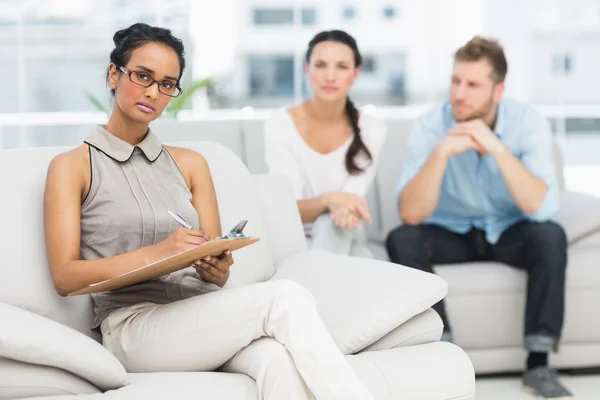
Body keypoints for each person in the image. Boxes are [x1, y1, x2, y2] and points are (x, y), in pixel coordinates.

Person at [43, 23, 373, 400]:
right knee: (284, 297)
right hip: (132, 328)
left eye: (167, 83)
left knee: (275, 359)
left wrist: (217, 268)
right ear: (113, 74)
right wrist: (162, 253)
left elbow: (214, 265)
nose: (153, 91)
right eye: (142, 76)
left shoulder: (191, 164)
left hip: (200, 315)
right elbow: (65, 277)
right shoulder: (73, 166)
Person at [385, 36, 572, 399]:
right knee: (401, 238)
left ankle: (538, 363)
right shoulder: (429, 126)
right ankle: (443, 353)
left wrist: (496, 146)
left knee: (550, 235)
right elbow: (409, 213)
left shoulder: (526, 121)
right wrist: (440, 154)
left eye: (473, 85)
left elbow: (542, 206)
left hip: (507, 231)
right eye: (456, 81)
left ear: (497, 91)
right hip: (450, 232)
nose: (459, 93)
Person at [264, 30, 387, 258]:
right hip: (295, 235)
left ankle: (312, 287)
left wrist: (336, 206)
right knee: (363, 258)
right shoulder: (280, 125)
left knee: (332, 225)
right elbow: (290, 209)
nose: (330, 76)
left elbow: (350, 203)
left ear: (356, 73)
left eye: (341, 66)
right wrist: (329, 200)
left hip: (345, 228)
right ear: (307, 69)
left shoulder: (372, 129)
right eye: (321, 65)